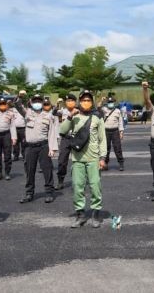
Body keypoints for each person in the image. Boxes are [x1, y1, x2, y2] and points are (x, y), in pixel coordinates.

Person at [60, 90, 107, 228]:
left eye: (88, 100)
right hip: (78, 158)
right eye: (83, 100)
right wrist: (69, 117)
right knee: (77, 187)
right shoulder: (74, 117)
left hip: (93, 158)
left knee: (95, 187)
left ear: (91, 102)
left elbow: (102, 139)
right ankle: (80, 215)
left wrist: (102, 158)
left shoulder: (97, 118)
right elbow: (62, 131)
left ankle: (96, 214)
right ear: (80, 102)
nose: (86, 102)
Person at [14, 94, 59, 204]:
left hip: (43, 146)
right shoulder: (27, 113)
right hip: (30, 147)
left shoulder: (48, 116)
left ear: (43, 103)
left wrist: (52, 148)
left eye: (39, 101)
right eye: (35, 101)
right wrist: (19, 97)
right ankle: (29, 193)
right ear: (31, 102)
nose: (37, 103)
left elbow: (52, 133)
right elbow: (18, 105)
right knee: (29, 170)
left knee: (47, 170)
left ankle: (49, 193)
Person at [0, 97, 18, 181]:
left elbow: (13, 126)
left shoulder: (10, 113)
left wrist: (14, 138)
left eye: (3, 104)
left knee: (7, 155)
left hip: (6, 135)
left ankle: (7, 173)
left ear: (6, 105)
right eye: (0, 104)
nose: (2, 105)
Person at [56, 94, 77, 190]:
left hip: (76, 138)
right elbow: (52, 113)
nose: (70, 102)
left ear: (75, 102)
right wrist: (57, 104)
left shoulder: (79, 111)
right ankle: (60, 181)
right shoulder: (62, 111)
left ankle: (77, 182)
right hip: (65, 138)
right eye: (68, 101)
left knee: (77, 161)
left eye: (72, 100)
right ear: (65, 102)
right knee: (62, 161)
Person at [100, 96, 125, 171]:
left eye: (111, 102)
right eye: (109, 102)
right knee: (106, 148)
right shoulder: (104, 110)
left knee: (117, 148)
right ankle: (105, 164)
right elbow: (98, 107)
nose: (110, 104)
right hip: (106, 131)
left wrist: (121, 132)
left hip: (115, 131)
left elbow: (120, 122)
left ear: (114, 103)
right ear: (107, 103)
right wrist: (101, 100)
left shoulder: (117, 111)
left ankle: (121, 164)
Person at [12, 91, 27, 161]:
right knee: (15, 144)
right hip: (15, 128)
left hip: (23, 128)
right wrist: (18, 95)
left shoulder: (24, 109)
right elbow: (15, 101)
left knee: (24, 143)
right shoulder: (13, 109)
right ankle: (16, 156)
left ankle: (24, 155)